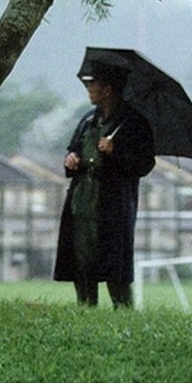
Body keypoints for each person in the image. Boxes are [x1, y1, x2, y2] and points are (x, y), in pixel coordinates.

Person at [54, 61, 156, 308]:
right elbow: (74, 149)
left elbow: (144, 164)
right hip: (82, 201)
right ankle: (85, 307)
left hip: (113, 205)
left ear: (108, 89)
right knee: (81, 260)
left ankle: (123, 309)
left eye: (93, 85)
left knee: (114, 263)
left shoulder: (134, 123)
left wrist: (115, 151)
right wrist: (71, 159)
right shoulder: (88, 120)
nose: (89, 89)